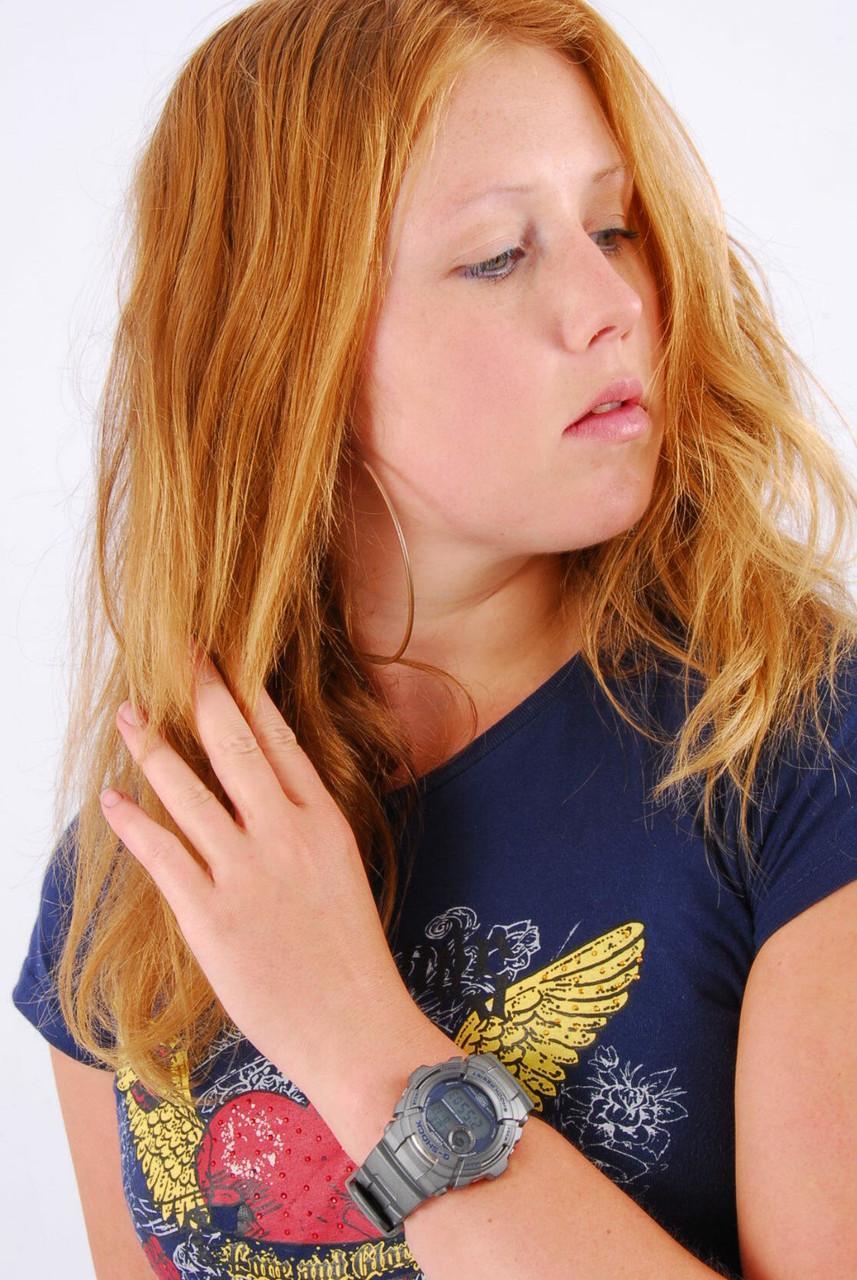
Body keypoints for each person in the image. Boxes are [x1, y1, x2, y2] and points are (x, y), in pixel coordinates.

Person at [11, 1, 857, 1277]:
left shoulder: (791, 747)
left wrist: (357, 1034)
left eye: (612, 225)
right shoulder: (135, 873)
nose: (610, 300)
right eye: (495, 256)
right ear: (279, 347)